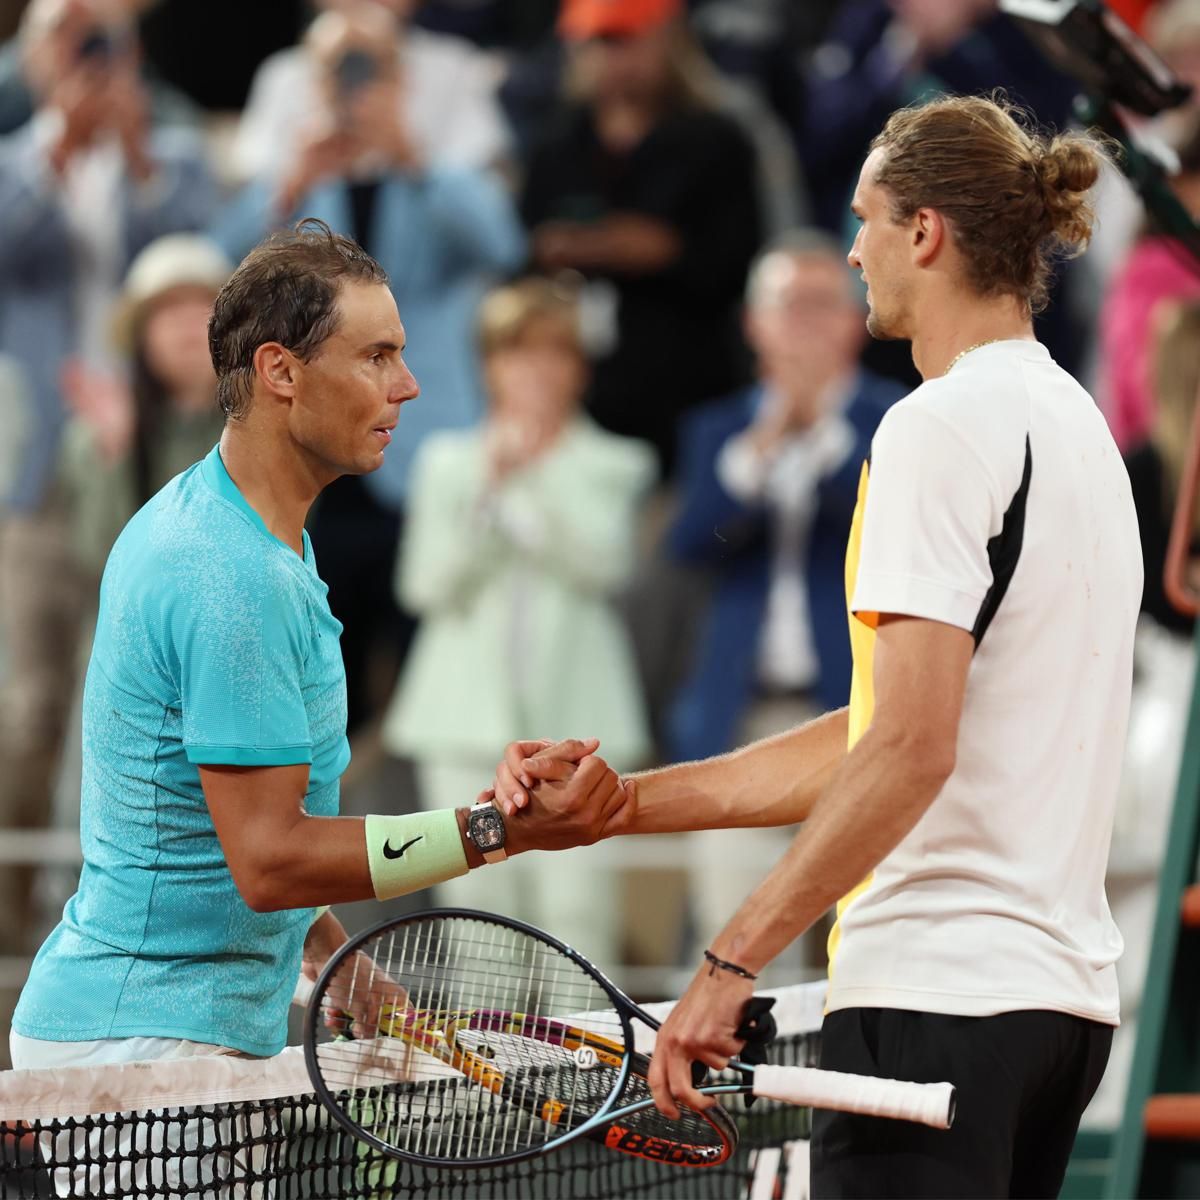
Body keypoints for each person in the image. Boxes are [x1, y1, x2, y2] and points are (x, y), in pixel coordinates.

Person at [495, 95, 1143, 1198]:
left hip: (936, 1004)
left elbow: (907, 752)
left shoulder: (934, 427)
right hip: (1057, 1017)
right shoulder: (1078, 425)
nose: (854, 251)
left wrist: (728, 958)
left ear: (925, 233)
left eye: (866, 220)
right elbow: (888, 726)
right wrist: (625, 805)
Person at [9, 221, 631, 1084]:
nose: (408, 387)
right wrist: (495, 828)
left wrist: (327, 943)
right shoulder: (226, 572)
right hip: (147, 1045)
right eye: (376, 356)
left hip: (169, 1031)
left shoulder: (245, 534)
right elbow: (268, 859)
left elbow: (218, 826)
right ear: (281, 372)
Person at [213, 1, 526, 734]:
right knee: (321, 682)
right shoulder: (298, 187)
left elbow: (504, 244)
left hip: (422, 447)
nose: (353, 88)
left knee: (430, 676)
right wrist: (289, 186)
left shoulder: (436, 174)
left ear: (399, 78)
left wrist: (411, 157)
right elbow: (220, 271)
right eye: (338, 70)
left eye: (370, 69)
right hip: (317, 456)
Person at [0, 0, 214, 965]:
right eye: (71, 38)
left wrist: (131, 160)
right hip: (41, 468)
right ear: (35, 55)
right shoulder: (12, 162)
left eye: (106, 38)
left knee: (137, 703)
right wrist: (58, 156)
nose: (90, 58)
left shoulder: (170, 159)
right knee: (31, 704)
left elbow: (214, 279)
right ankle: (12, 926)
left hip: (159, 455)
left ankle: (124, 928)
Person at [381, 276, 655, 965]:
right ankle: (483, 1076)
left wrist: (540, 482)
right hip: (459, 720)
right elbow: (423, 585)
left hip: (578, 722)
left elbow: (606, 564)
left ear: (578, 369)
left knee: (578, 916)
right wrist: (488, 491)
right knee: (479, 922)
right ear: (489, 366)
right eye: (515, 354)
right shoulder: (449, 463)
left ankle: (593, 1071)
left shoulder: (614, 461)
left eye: (552, 354)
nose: (534, 371)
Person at [666, 230, 902, 971]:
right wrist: (765, 448)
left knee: (865, 927)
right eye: (785, 305)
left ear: (851, 318)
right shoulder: (717, 429)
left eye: (819, 304)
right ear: (753, 323)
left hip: (858, 711)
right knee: (733, 935)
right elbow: (688, 546)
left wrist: (826, 441)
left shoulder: (895, 420)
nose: (802, 324)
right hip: (742, 714)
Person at [520, 0, 761, 473]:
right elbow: (527, 253)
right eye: (596, 42)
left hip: (686, 388)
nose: (610, 58)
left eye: (622, 40)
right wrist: (624, 245)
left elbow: (737, 261)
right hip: (582, 399)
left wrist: (656, 252)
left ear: (666, 38)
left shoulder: (715, 139)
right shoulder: (558, 144)